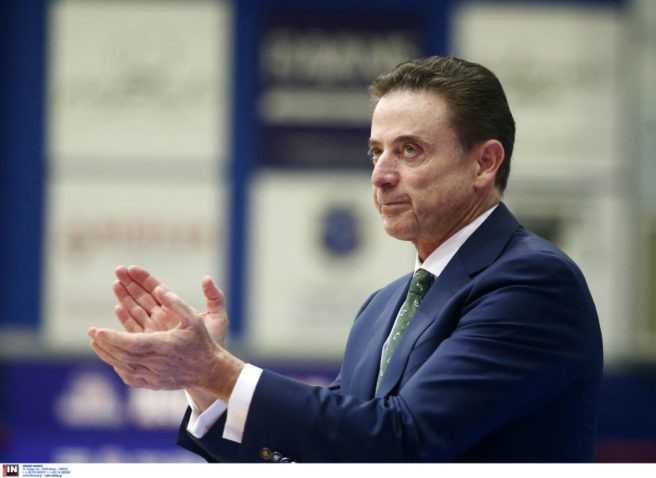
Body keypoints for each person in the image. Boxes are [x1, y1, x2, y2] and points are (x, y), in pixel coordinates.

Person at [89, 56, 603, 462]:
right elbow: (325, 452)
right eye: (376, 152)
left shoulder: (532, 283)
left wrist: (219, 368)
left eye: (410, 150)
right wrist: (202, 382)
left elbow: (404, 442)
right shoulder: (382, 308)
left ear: (484, 163)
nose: (381, 175)